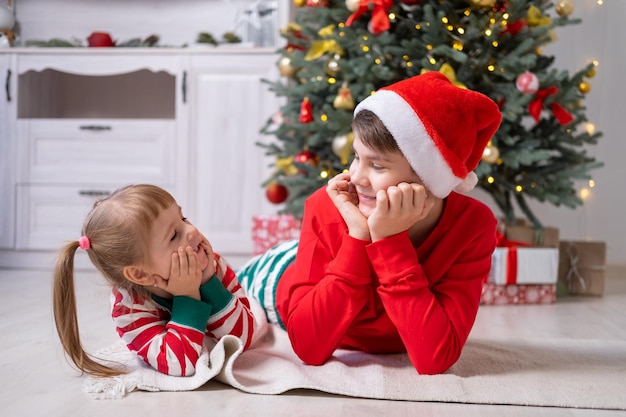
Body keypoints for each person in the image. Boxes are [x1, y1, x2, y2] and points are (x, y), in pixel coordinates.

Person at [238, 71, 502, 375]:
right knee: (220, 289)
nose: (357, 177)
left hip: (336, 267)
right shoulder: (327, 205)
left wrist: (389, 241)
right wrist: (358, 236)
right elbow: (309, 349)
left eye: (377, 165)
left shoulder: (473, 225)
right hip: (276, 277)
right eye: (356, 157)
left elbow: (435, 359)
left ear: (429, 179)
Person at [53, 184, 258, 378]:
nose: (193, 231)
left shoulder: (211, 265)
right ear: (140, 275)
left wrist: (209, 282)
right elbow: (180, 364)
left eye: (184, 218)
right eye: (174, 235)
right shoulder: (130, 309)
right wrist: (187, 297)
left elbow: (244, 339)